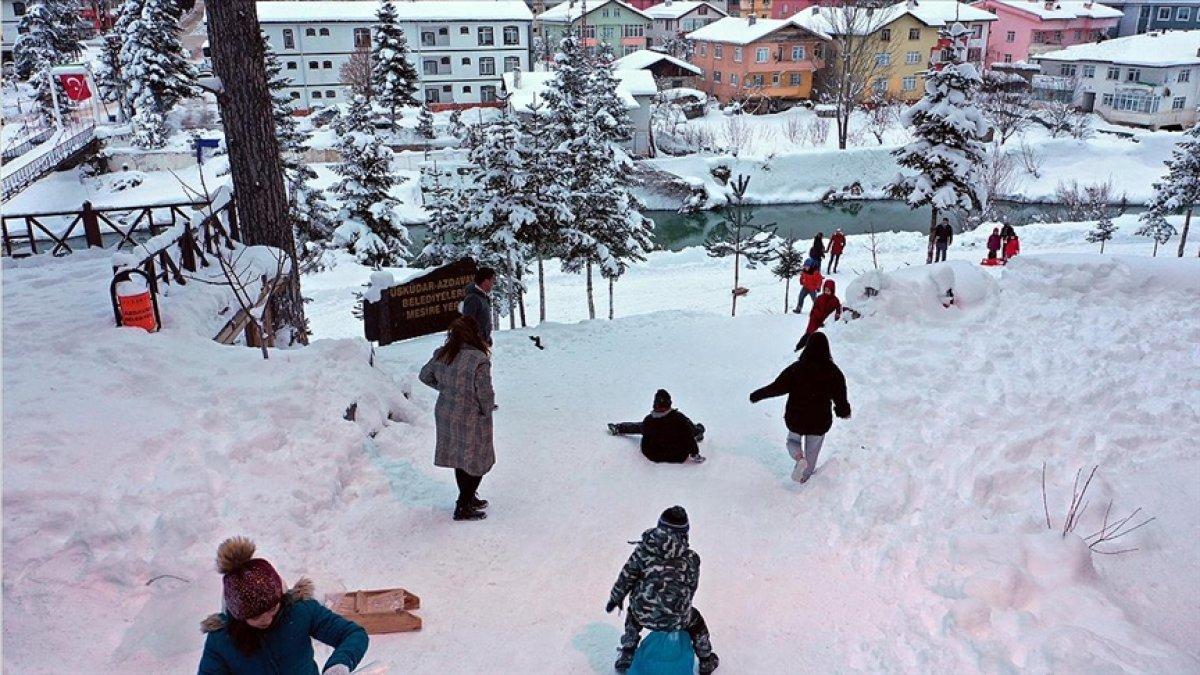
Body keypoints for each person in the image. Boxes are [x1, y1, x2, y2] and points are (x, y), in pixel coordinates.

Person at [199, 537, 368, 674]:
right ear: (238, 615)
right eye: (256, 616)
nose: (267, 619)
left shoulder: (300, 611)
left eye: (273, 608)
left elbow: (352, 634)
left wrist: (340, 664)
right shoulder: (222, 639)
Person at [607, 506, 719, 674]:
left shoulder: (642, 552)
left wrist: (615, 598)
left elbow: (626, 577)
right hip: (676, 619)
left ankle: (627, 653)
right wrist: (679, 607)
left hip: (642, 613)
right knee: (696, 623)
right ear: (684, 533)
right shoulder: (691, 558)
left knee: (633, 617)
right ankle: (705, 659)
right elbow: (691, 587)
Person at [419, 316, 496, 521]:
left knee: (461, 459)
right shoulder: (478, 359)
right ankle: (463, 505)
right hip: (471, 415)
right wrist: (487, 409)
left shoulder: (442, 354)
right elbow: (484, 393)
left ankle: (468, 497)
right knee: (477, 459)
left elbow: (424, 376)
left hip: (446, 413)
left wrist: (445, 390)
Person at [749, 332, 851, 484]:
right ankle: (805, 477)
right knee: (813, 451)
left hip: (797, 418)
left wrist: (757, 395)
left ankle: (798, 457)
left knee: (792, 441)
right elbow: (840, 398)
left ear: (807, 348)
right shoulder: (834, 372)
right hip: (819, 420)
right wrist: (844, 412)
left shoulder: (796, 369)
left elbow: (777, 387)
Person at [608, 389, 707, 464]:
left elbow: (637, 428)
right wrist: (695, 454)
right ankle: (698, 432)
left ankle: (618, 428)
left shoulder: (649, 421)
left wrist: (619, 428)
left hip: (653, 454)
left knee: (642, 427)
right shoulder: (679, 419)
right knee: (688, 428)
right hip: (677, 455)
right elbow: (688, 436)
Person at [796, 279, 841, 350]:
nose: (827, 292)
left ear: (832, 290)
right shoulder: (820, 298)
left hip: (823, 320)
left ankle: (809, 348)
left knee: (816, 336)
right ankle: (798, 347)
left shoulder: (835, 300)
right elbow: (814, 307)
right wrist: (813, 315)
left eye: (829, 290)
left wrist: (837, 314)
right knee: (808, 333)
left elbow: (839, 307)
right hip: (815, 319)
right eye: (825, 290)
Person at [461, 267, 495, 346]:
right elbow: (467, 324)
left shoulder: (483, 297)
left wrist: (487, 339)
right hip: (474, 346)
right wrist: (478, 342)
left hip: (481, 345)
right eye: (492, 281)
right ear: (486, 281)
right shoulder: (473, 298)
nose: (493, 284)